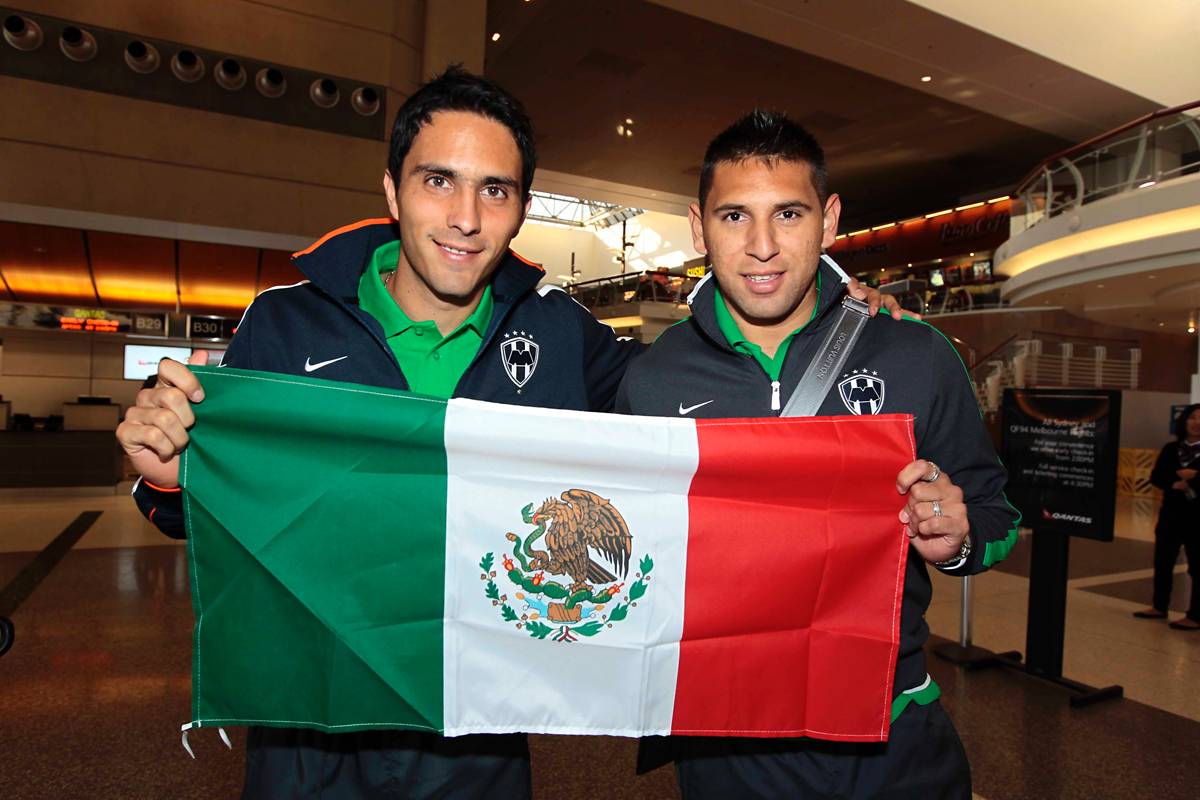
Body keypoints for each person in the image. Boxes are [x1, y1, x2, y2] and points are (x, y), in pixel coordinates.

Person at [115, 71, 904, 798]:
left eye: (495, 190)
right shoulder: (286, 324)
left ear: (522, 206)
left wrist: (832, 317)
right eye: (439, 181)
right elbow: (212, 504)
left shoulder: (560, 335)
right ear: (392, 189)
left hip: (478, 739)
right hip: (313, 727)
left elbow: (699, 404)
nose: (466, 218)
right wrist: (166, 473)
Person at [616, 110, 1019, 799]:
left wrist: (958, 540)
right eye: (735, 217)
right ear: (699, 228)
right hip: (728, 742)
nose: (763, 246)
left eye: (789, 214)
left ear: (828, 221)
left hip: (891, 732)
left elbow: (997, 515)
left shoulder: (915, 354)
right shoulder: (653, 380)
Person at [1133, 403, 1200, 630]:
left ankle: (1195, 615)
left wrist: (1195, 477)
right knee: (1163, 561)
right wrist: (1174, 483)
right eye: (1192, 418)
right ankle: (1159, 606)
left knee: (1197, 567)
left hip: (1197, 519)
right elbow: (1157, 476)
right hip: (1171, 515)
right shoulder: (1171, 449)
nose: (1197, 423)